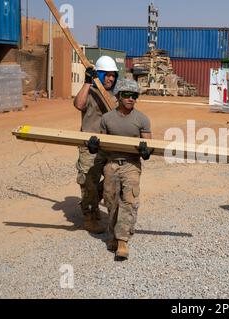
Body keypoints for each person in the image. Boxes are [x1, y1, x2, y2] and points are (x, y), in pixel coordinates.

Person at [91, 79, 152, 260]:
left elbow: (150, 145)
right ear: (118, 96)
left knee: (129, 200)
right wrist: (95, 147)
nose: (131, 99)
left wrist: (145, 151)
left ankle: (122, 240)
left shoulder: (141, 119)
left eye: (134, 96)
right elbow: (102, 144)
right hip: (111, 164)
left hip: (131, 165)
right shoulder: (107, 119)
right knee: (111, 201)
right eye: (127, 95)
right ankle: (113, 236)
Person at [73, 56, 119, 234]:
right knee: (89, 182)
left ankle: (91, 203)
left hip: (108, 146)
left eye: (113, 75)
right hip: (89, 147)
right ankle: (89, 216)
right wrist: (87, 82)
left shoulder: (113, 97)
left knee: (112, 179)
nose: (110, 78)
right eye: (106, 75)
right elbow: (79, 104)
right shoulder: (90, 92)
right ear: (98, 75)